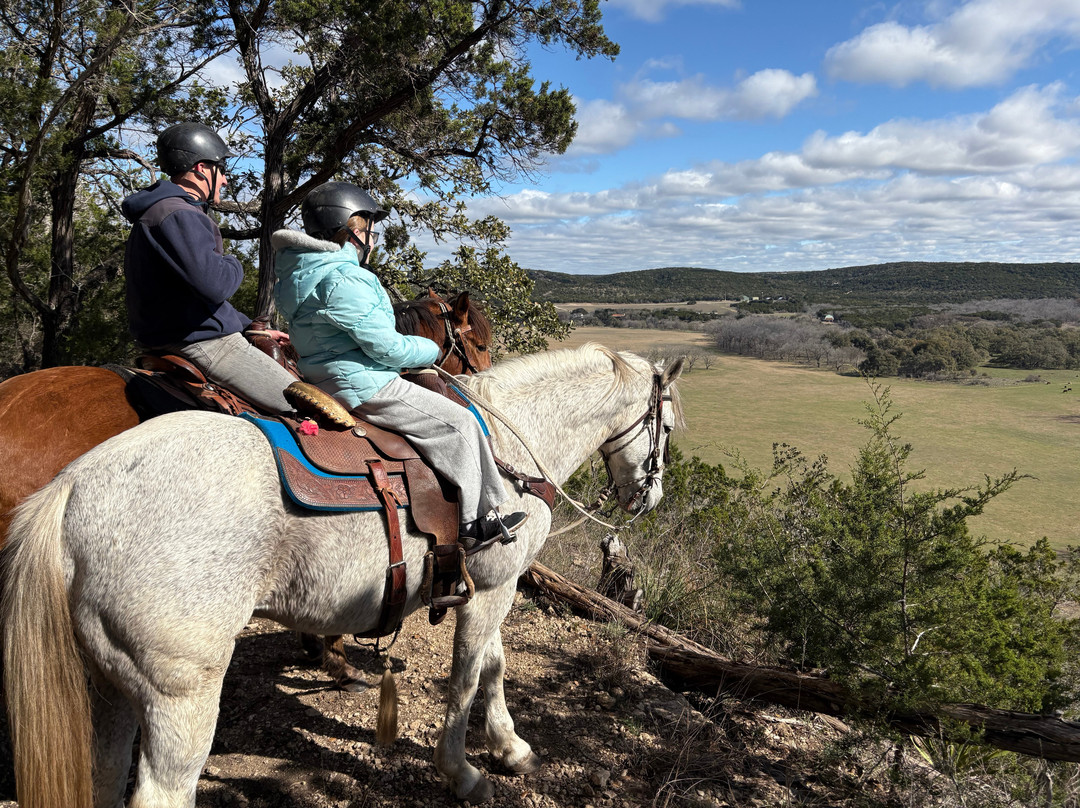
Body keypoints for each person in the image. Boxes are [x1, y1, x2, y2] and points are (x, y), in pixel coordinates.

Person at [271, 181, 526, 543]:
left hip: (320, 377)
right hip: (363, 383)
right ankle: (477, 522)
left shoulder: (298, 275)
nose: (373, 239)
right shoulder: (345, 278)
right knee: (460, 423)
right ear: (354, 230)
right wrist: (430, 351)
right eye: (370, 230)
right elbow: (387, 349)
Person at [122, 121, 296, 413]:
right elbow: (216, 285)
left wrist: (248, 327)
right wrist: (234, 262)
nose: (226, 180)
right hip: (204, 344)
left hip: (179, 337)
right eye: (222, 170)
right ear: (202, 168)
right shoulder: (179, 214)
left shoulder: (161, 213)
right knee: (305, 408)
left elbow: (191, 299)